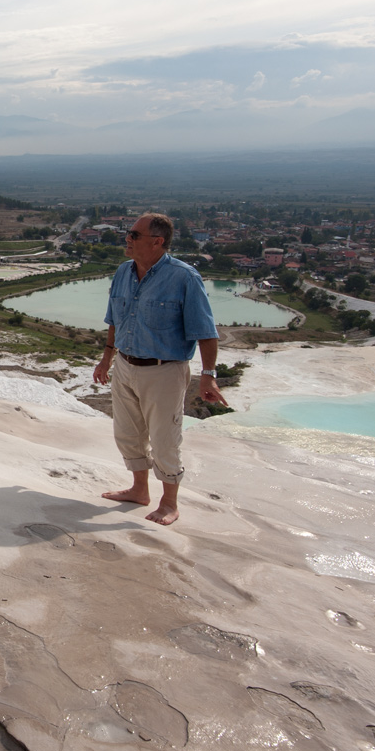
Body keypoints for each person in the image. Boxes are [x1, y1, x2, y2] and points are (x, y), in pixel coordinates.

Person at [91, 213, 226, 526]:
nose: (127, 238)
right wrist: (106, 358)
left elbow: (205, 330)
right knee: (128, 433)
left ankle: (169, 502)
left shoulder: (184, 277)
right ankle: (139, 490)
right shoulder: (124, 272)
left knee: (165, 438)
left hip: (164, 370)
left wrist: (209, 375)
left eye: (134, 234)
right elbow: (115, 319)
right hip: (125, 364)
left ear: (157, 241)